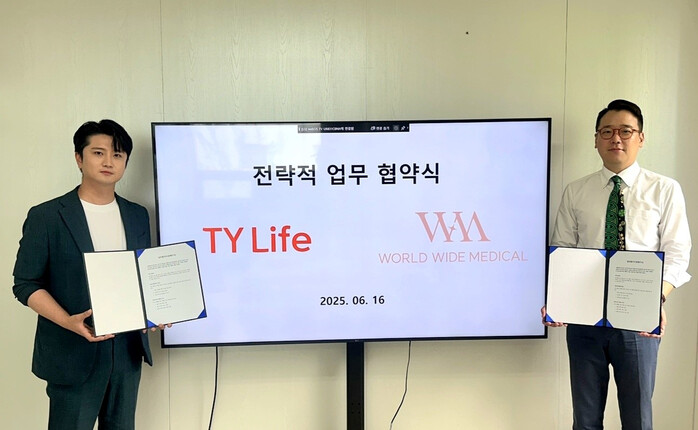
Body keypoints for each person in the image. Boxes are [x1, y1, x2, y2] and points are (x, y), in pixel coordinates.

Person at [542, 99, 691, 429]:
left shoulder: (664, 189)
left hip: (638, 318)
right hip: (584, 321)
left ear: (641, 138)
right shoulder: (576, 191)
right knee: (585, 420)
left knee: (637, 418)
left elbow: (678, 253)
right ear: (596, 139)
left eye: (626, 131)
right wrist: (556, 301)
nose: (616, 139)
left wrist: (656, 300)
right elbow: (563, 251)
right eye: (607, 132)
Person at [12, 119, 162, 430]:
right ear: (79, 158)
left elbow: (143, 276)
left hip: (127, 351)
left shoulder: (137, 215)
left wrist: (157, 309)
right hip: (72, 351)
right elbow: (26, 283)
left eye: (117, 155)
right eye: (98, 153)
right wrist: (68, 321)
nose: (108, 162)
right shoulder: (47, 216)